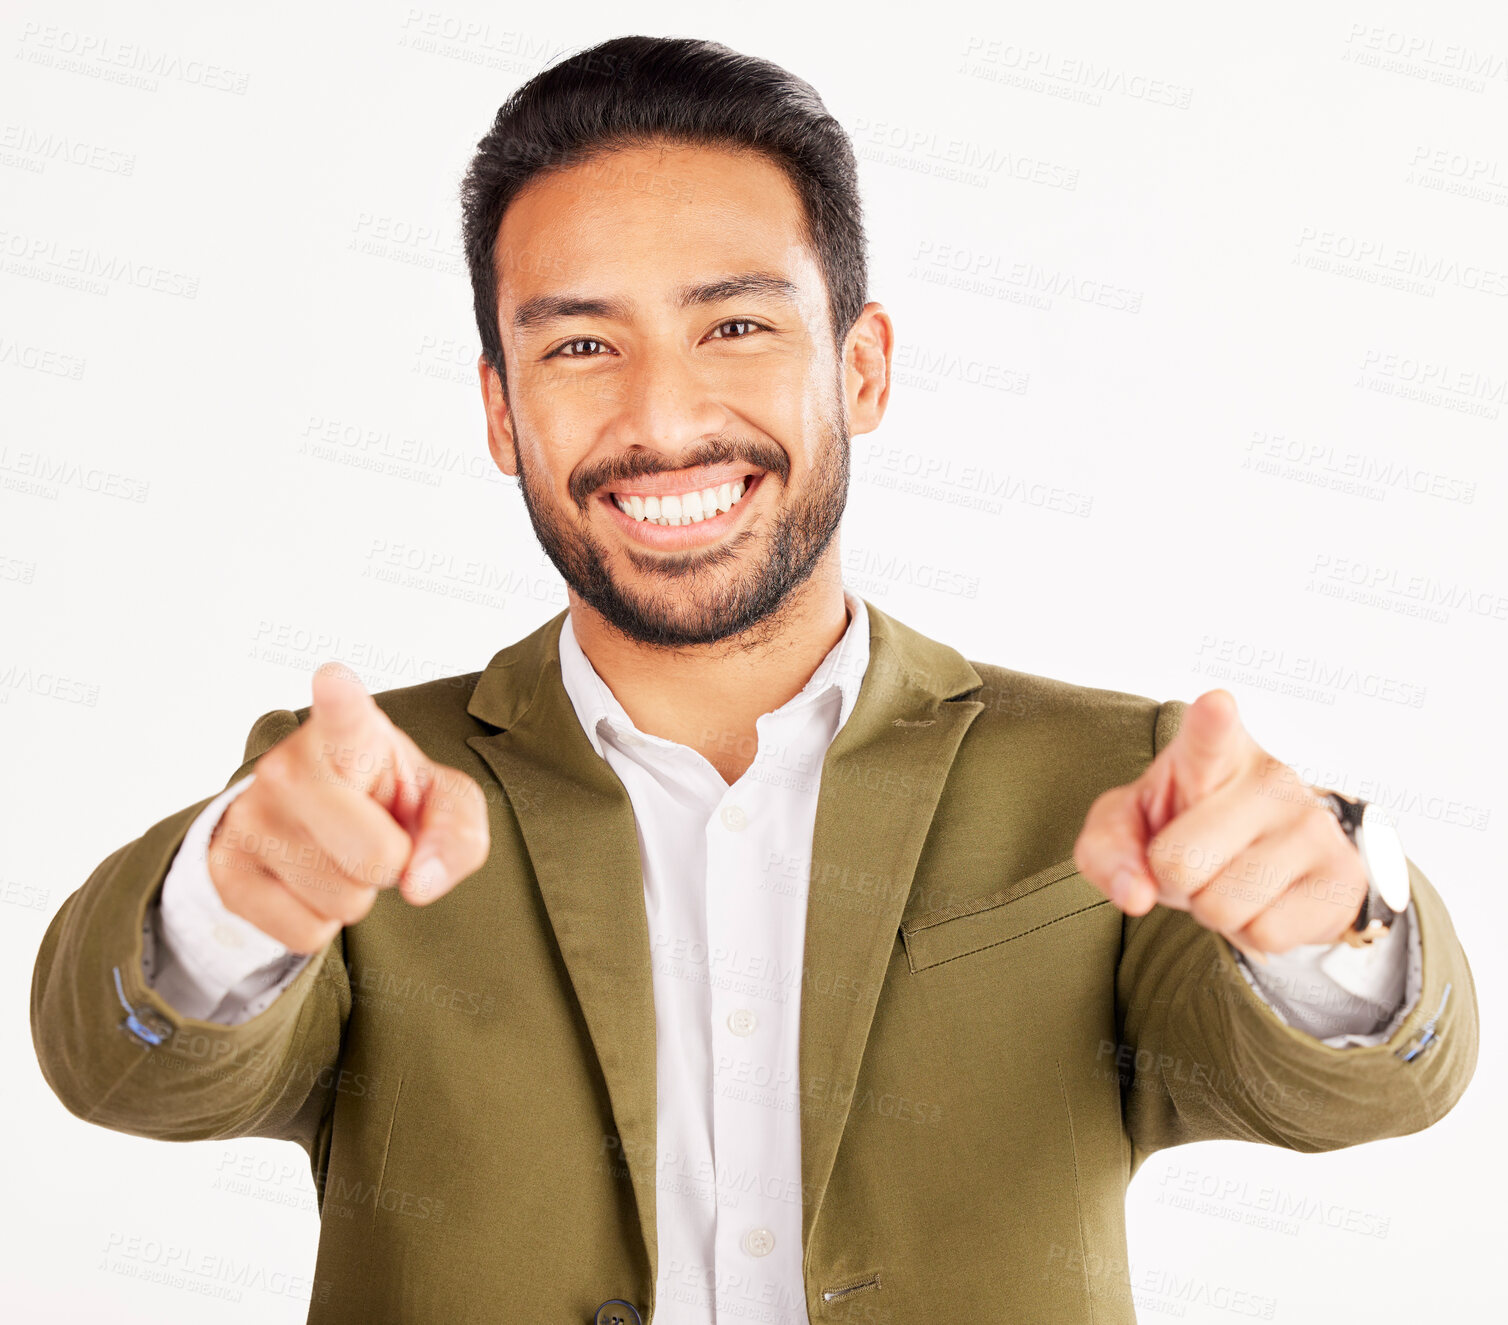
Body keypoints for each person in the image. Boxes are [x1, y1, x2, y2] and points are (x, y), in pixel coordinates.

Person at [30, 35, 1477, 1325]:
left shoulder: (1106, 790)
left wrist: (1327, 929)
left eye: (735, 325)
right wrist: (221, 910)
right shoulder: (358, 799)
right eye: (581, 344)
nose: (661, 418)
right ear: (497, 411)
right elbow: (123, 1064)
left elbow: (1382, 1078)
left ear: (863, 367)